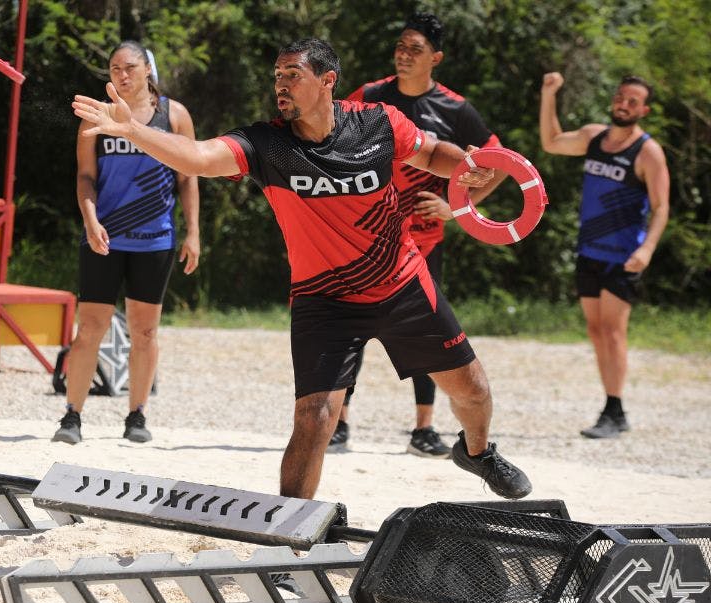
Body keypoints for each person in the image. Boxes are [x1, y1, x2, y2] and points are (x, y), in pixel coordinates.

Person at [73, 37, 533, 500]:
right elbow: (196, 157)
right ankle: (289, 540)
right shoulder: (266, 144)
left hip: (401, 283)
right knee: (314, 419)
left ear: (328, 81)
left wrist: (467, 166)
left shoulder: (377, 122)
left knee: (473, 390)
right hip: (324, 299)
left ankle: (477, 453)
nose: (282, 85)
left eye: (293, 74)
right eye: (278, 76)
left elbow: (431, 153)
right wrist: (133, 130)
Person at [338, 12, 506, 458]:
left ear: (436, 57)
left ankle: (423, 429)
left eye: (414, 49)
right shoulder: (372, 95)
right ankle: (338, 423)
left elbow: (500, 162)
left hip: (423, 241)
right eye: (400, 46)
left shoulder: (454, 107)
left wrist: (458, 208)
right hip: (367, 237)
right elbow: (333, 135)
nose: (404, 55)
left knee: (426, 333)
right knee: (350, 327)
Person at [52, 41, 199, 445]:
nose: (122, 74)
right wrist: (90, 219)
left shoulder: (174, 115)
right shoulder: (96, 116)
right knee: (91, 329)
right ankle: (71, 416)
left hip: (155, 239)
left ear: (147, 69)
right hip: (105, 236)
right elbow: (85, 177)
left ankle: (136, 415)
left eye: (130, 66)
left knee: (145, 331)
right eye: (115, 67)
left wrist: (193, 232)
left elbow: (189, 175)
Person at [539, 72, 670, 439]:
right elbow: (551, 142)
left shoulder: (647, 151)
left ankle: (615, 410)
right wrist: (549, 94)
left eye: (633, 101)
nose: (624, 104)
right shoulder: (594, 137)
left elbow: (661, 208)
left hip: (623, 255)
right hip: (589, 251)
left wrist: (646, 249)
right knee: (597, 331)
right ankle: (611, 408)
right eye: (621, 97)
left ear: (643, 109)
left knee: (613, 332)